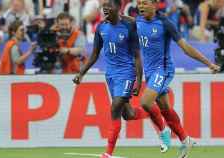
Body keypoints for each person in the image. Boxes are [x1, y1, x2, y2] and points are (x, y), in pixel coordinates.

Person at [73, 0, 171, 157]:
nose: (105, 9)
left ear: (118, 8)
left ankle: (108, 153)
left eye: (109, 6)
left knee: (115, 107)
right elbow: (94, 54)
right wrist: (81, 73)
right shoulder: (101, 28)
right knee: (128, 114)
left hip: (126, 73)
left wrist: (139, 80)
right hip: (110, 75)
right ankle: (156, 115)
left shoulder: (128, 26)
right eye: (103, 6)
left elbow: (137, 56)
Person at [134, 0, 220, 157]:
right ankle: (185, 140)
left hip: (164, 69)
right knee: (166, 109)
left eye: (145, 3)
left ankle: (163, 131)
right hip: (150, 71)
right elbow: (126, 21)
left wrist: (208, 63)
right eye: (139, 3)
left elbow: (185, 47)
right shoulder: (138, 19)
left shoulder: (165, 23)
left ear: (154, 4)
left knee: (145, 102)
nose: (141, 6)